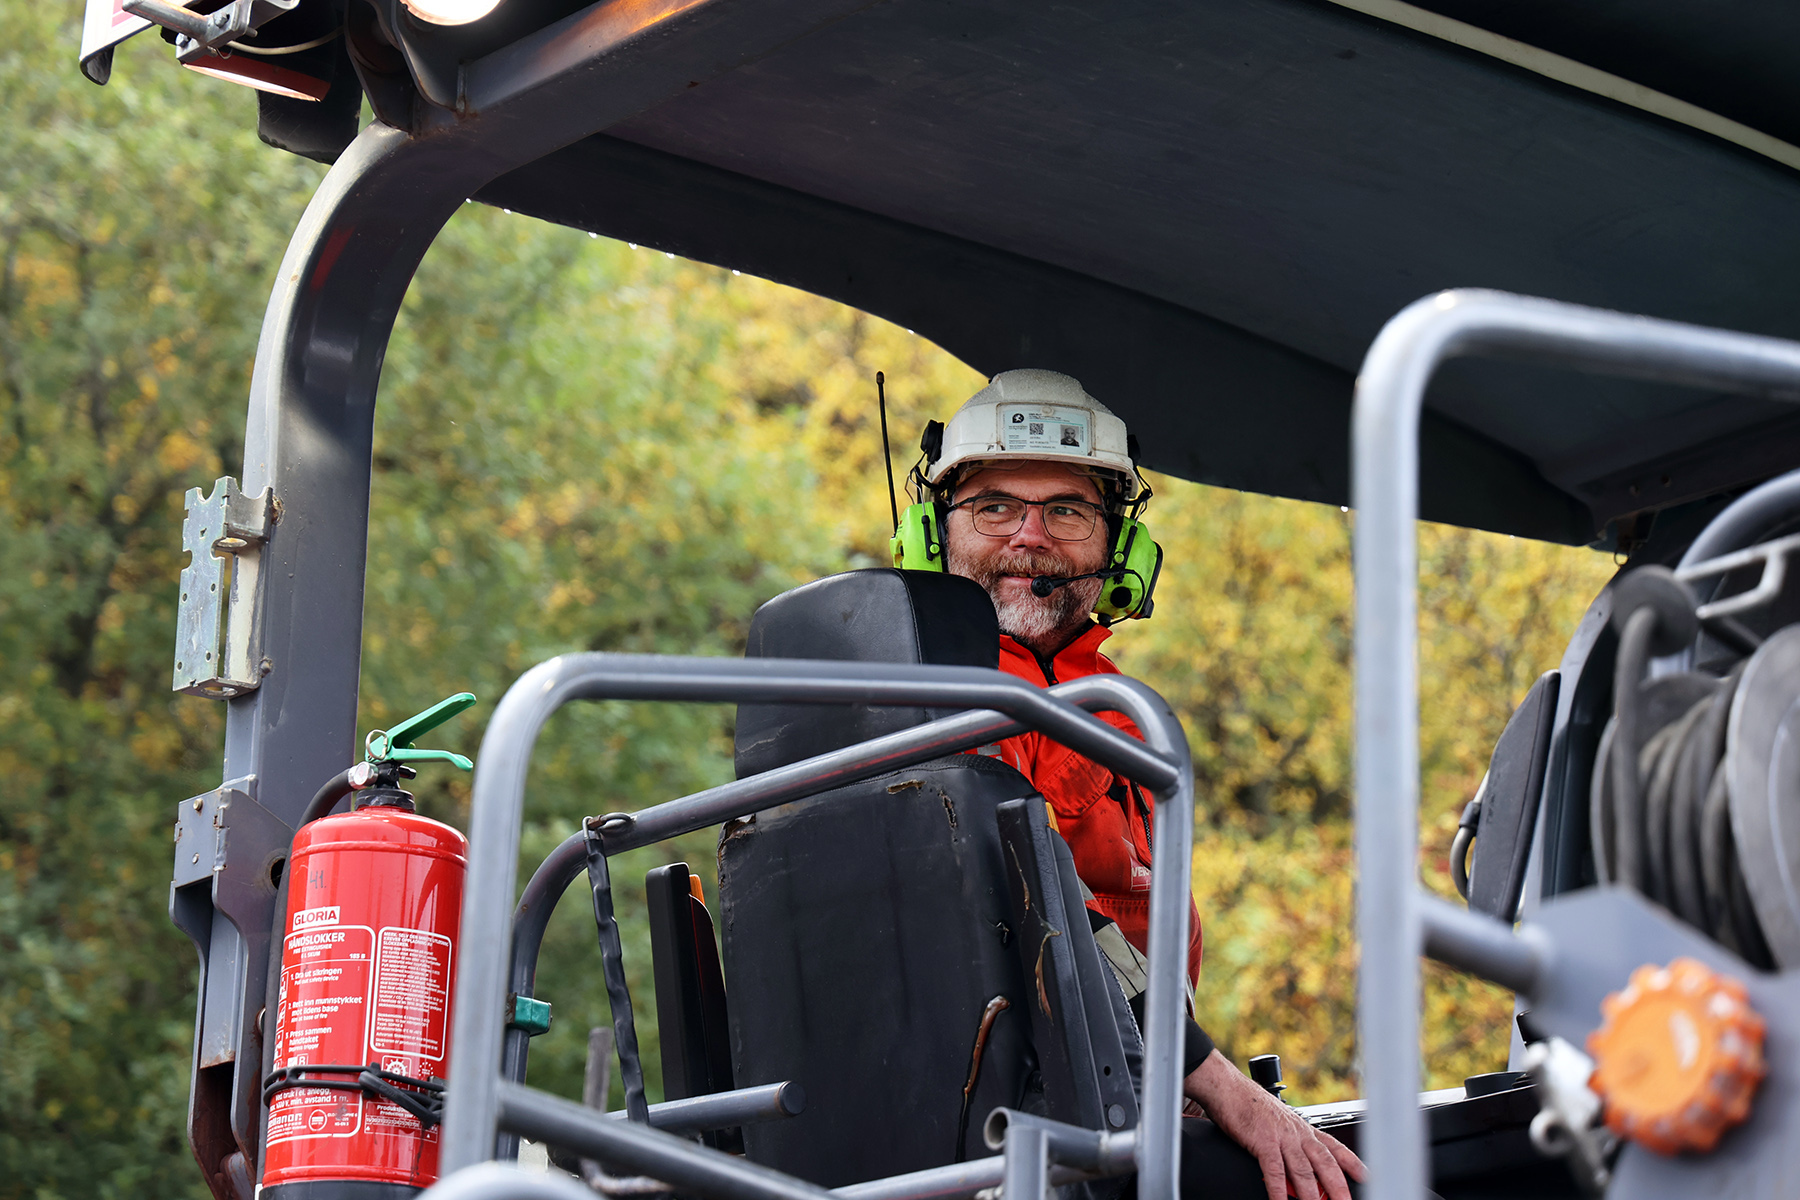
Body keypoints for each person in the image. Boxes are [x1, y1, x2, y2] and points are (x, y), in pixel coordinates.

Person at [903, 369, 1365, 1200]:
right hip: (1006, 1131)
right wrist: (1228, 1092)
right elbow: (1030, 914)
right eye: (994, 506)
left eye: (1067, 511)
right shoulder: (918, 694)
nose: (1029, 538)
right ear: (935, 536)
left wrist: (1190, 1089)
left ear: (1116, 546)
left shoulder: (1118, 717)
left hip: (1124, 1099)